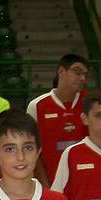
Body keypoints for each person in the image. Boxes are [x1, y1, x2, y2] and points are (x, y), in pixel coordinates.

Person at [29, 54, 89, 182]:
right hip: (50, 179)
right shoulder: (37, 105)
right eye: (77, 72)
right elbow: (32, 147)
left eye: (85, 74)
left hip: (84, 181)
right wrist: (44, 183)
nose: (82, 78)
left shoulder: (90, 103)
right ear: (61, 71)